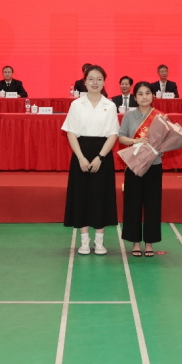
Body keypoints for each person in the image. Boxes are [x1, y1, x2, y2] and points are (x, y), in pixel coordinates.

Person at [62, 65, 119, 255]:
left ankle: (99, 242)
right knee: (82, 196)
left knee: (101, 196)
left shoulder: (110, 105)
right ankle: (84, 241)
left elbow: (113, 134)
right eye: (91, 79)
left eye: (99, 79)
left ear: (104, 82)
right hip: (81, 153)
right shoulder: (76, 104)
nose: (95, 82)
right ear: (84, 82)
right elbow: (70, 132)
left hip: (103, 155)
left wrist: (100, 157)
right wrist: (80, 158)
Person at [118, 81, 163, 257]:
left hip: (154, 164)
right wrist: (135, 141)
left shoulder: (160, 117)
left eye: (147, 93)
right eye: (140, 94)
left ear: (153, 96)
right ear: (135, 97)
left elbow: (165, 140)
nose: (144, 97)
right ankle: (135, 241)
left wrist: (160, 147)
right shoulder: (129, 116)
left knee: (153, 203)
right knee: (133, 202)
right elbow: (121, 138)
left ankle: (149, 242)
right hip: (134, 165)